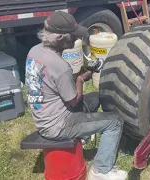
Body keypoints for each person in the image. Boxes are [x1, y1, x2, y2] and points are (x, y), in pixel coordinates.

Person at [24, 11, 128, 180]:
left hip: (43, 115)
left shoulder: (34, 51)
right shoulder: (60, 66)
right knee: (115, 121)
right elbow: (74, 101)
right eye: (72, 36)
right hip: (58, 126)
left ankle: (85, 134)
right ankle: (101, 171)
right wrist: (80, 79)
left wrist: (87, 72)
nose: (75, 40)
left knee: (94, 98)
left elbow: (53, 81)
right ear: (59, 37)